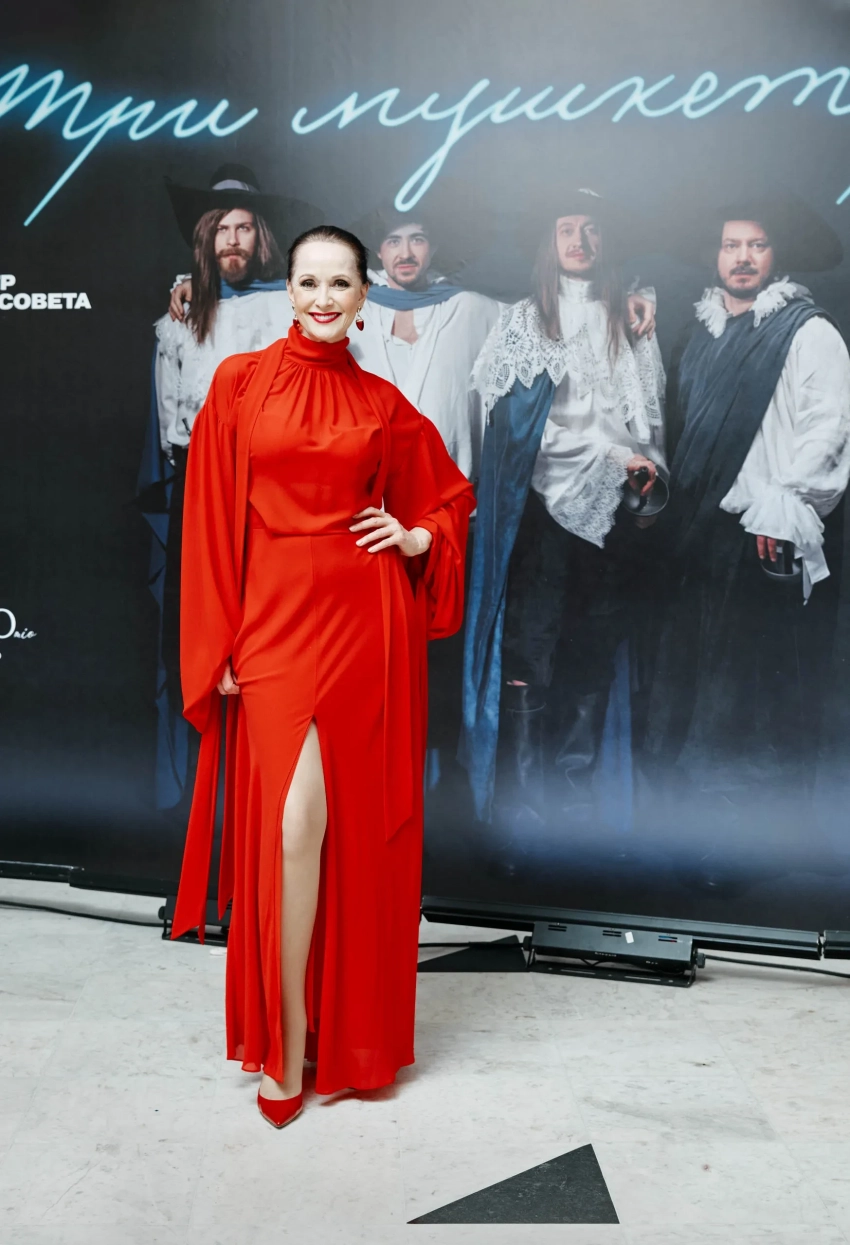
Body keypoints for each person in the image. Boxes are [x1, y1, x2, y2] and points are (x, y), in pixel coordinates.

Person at [170, 225, 475, 1128]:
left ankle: (335, 1036)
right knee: (292, 824)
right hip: (268, 619)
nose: (324, 298)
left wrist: (415, 537)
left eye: (341, 283)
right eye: (309, 281)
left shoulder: (381, 402)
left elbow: (449, 497)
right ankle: (288, 1033)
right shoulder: (240, 383)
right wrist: (218, 641)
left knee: (346, 830)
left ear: (363, 296)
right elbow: (209, 517)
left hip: (362, 622)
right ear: (289, 290)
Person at [642, 197, 850, 879]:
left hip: (763, 538)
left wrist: (783, 507)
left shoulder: (807, 331)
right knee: (694, 684)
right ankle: (694, 834)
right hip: (696, 538)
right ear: (715, 254)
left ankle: (748, 846)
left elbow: (829, 427)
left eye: (756, 245)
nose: (742, 257)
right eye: (731, 245)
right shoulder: (699, 335)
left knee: (751, 692)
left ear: (775, 255)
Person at [463, 188, 666, 833]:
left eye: (592, 228)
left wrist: (649, 486)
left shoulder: (630, 318)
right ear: (549, 241)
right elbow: (522, 430)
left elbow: (650, 419)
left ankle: (575, 807)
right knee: (532, 655)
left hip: (613, 516)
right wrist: (608, 457)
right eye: (567, 228)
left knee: (593, 650)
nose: (580, 241)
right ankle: (524, 810)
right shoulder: (523, 322)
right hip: (542, 516)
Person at [139, 164, 318, 807]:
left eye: (243, 228)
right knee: (200, 633)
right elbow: (171, 425)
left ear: (260, 236)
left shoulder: (290, 305)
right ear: (205, 240)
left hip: (269, 486)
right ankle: (202, 792)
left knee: (265, 635)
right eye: (220, 230)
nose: (232, 241)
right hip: (198, 485)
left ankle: (268, 785)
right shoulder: (183, 313)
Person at [346, 203, 501, 481]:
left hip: (450, 486)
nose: (405, 253)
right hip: (371, 487)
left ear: (434, 247)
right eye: (393, 241)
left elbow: (533, 326)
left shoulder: (468, 308)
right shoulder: (352, 311)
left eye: (417, 239)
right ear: (379, 251)